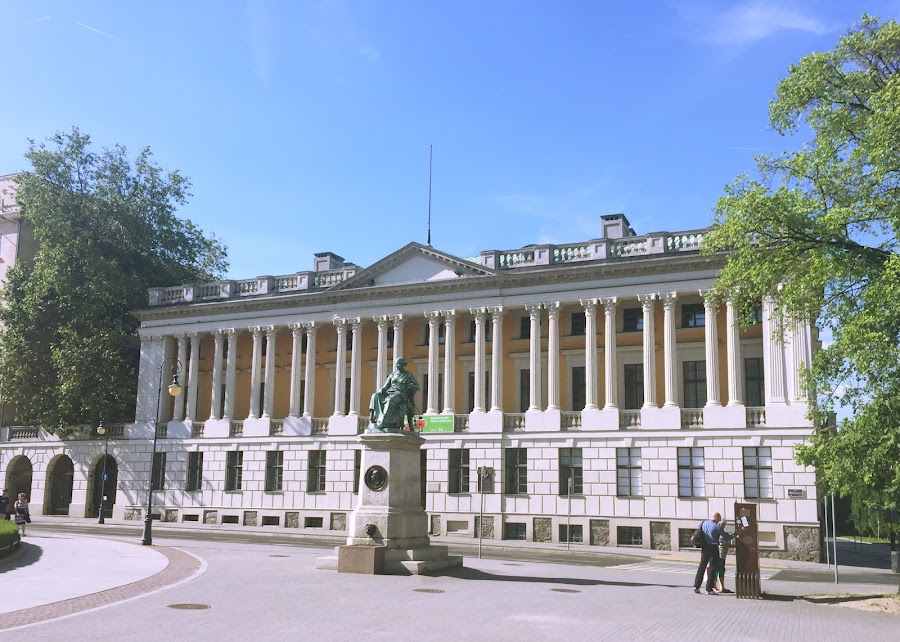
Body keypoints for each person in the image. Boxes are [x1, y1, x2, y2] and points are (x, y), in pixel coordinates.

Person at [368, 358, 420, 432]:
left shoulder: (408, 375)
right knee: (375, 395)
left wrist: (409, 385)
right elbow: (386, 386)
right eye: (396, 364)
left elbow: (417, 387)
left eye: (398, 363)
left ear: (403, 364)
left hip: (401, 394)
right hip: (390, 392)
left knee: (390, 400)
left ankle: (384, 421)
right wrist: (381, 390)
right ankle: (373, 417)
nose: (397, 365)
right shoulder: (392, 375)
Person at [693, 512, 734, 595]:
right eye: (719, 519)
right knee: (712, 568)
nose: (719, 521)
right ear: (717, 518)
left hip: (704, 547)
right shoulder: (716, 526)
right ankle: (709, 589)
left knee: (702, 567)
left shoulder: (704, 522)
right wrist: (735, 534)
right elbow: (727, 537)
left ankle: (696, 586)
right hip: (713, 547)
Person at [710, 517, 735, 593]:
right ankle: (715, 586)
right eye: (722, 524)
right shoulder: (719, 532)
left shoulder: (720, 532)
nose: (723, 526)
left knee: (721, 570)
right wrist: (736, 533)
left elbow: (728, 537)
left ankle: (721, 587)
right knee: (717, 570)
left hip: (721, 555)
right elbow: (728, 537)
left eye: (724, 524)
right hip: (718, 555)